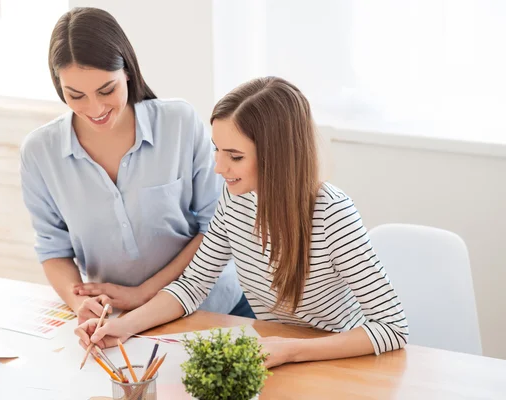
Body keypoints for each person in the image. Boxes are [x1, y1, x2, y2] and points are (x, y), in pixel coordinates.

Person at [75, 76, 409, 368]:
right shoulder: (235, 200)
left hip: (337, 361)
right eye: (217, 150)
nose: (219, 168)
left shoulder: (332, 214)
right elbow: (192, 286)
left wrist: (291, 351)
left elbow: (392, 327)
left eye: (235, 156)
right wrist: (123, 326)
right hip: (275, 357)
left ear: (277, 156)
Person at [19, 7, 249, 325]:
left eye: (106, 90)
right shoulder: (40, 152)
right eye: (76, 95)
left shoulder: (178, 122)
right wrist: (78, 303)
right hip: (123, 319)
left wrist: (145, 293)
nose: (95, 108)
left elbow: (216, 227)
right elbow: (52, 248)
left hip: (214, 306)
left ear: (127, 71)